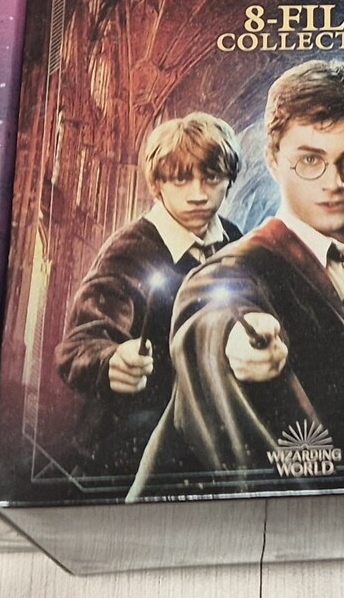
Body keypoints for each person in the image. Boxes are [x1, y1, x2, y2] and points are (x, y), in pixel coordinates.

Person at [131, 60, 344, 498]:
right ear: (273, 160)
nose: (334, 182)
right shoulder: (234, 270)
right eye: (310, 159)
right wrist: (233, 342)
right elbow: (211, 317)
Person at [54, 113, 245, 482]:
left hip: (213, 437)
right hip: (131, 445)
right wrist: (110, 360)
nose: (198, 194)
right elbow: (80, 344)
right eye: (181, 179)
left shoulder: (235, 241)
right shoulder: (129, 250)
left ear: (229, 180)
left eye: (211, 178)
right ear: (157, 184)